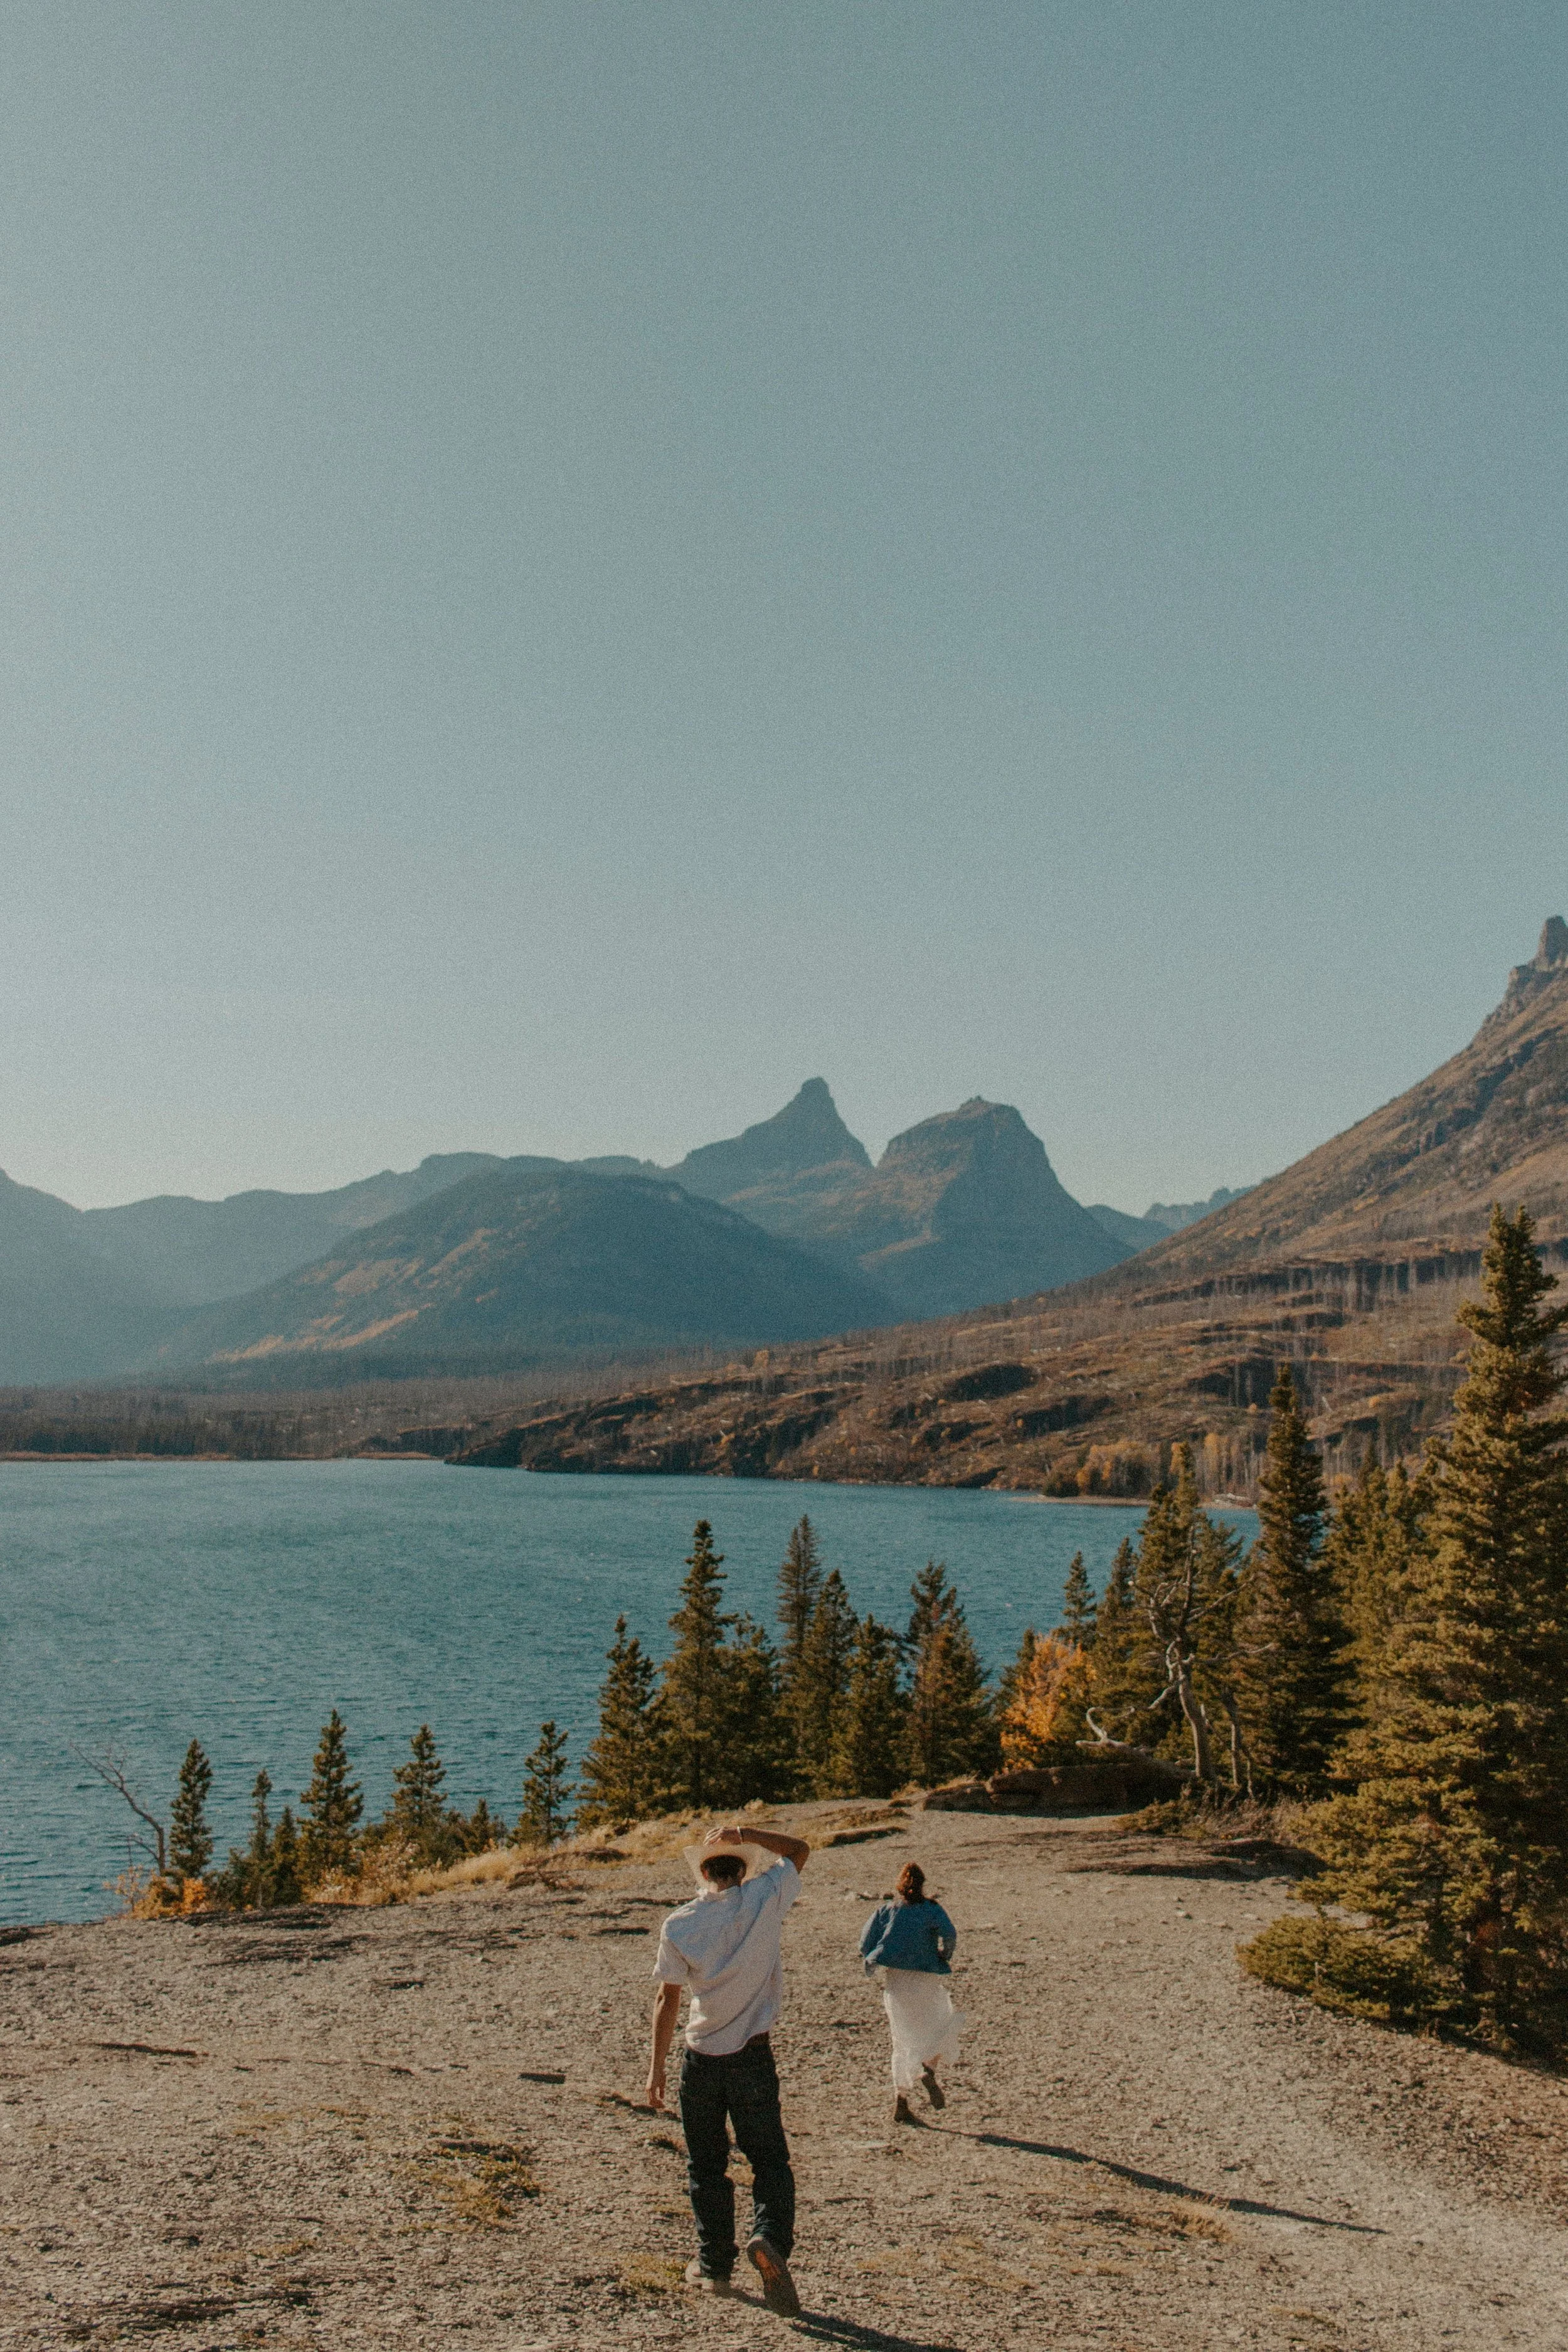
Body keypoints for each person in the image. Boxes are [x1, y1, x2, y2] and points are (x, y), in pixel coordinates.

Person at [647, 1822, 811, 2315]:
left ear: (703, 1873)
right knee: (769, 2161)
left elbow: (667, 1999)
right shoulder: (765, 1898)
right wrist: (749, 1832)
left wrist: (655, 2069)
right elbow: (801, 1849)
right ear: (742, 1869)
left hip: (701, 2056)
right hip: (752, 2054)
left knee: (706, 2166)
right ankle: (769, 2239)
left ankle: (715, 2267)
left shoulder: (679, 1923)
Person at [859, 1860, 962, 2124]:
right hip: (926, 1977)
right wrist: (943, 1955)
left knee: (901, 2039)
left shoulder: (887, 1911)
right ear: (923, 1884)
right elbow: (950, 1934)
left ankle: (901, 2101)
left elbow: (865, 1943)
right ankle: (927, 2070)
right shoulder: (932, 1909)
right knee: (939, 2029)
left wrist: (880, 1957)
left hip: (897, 1982)